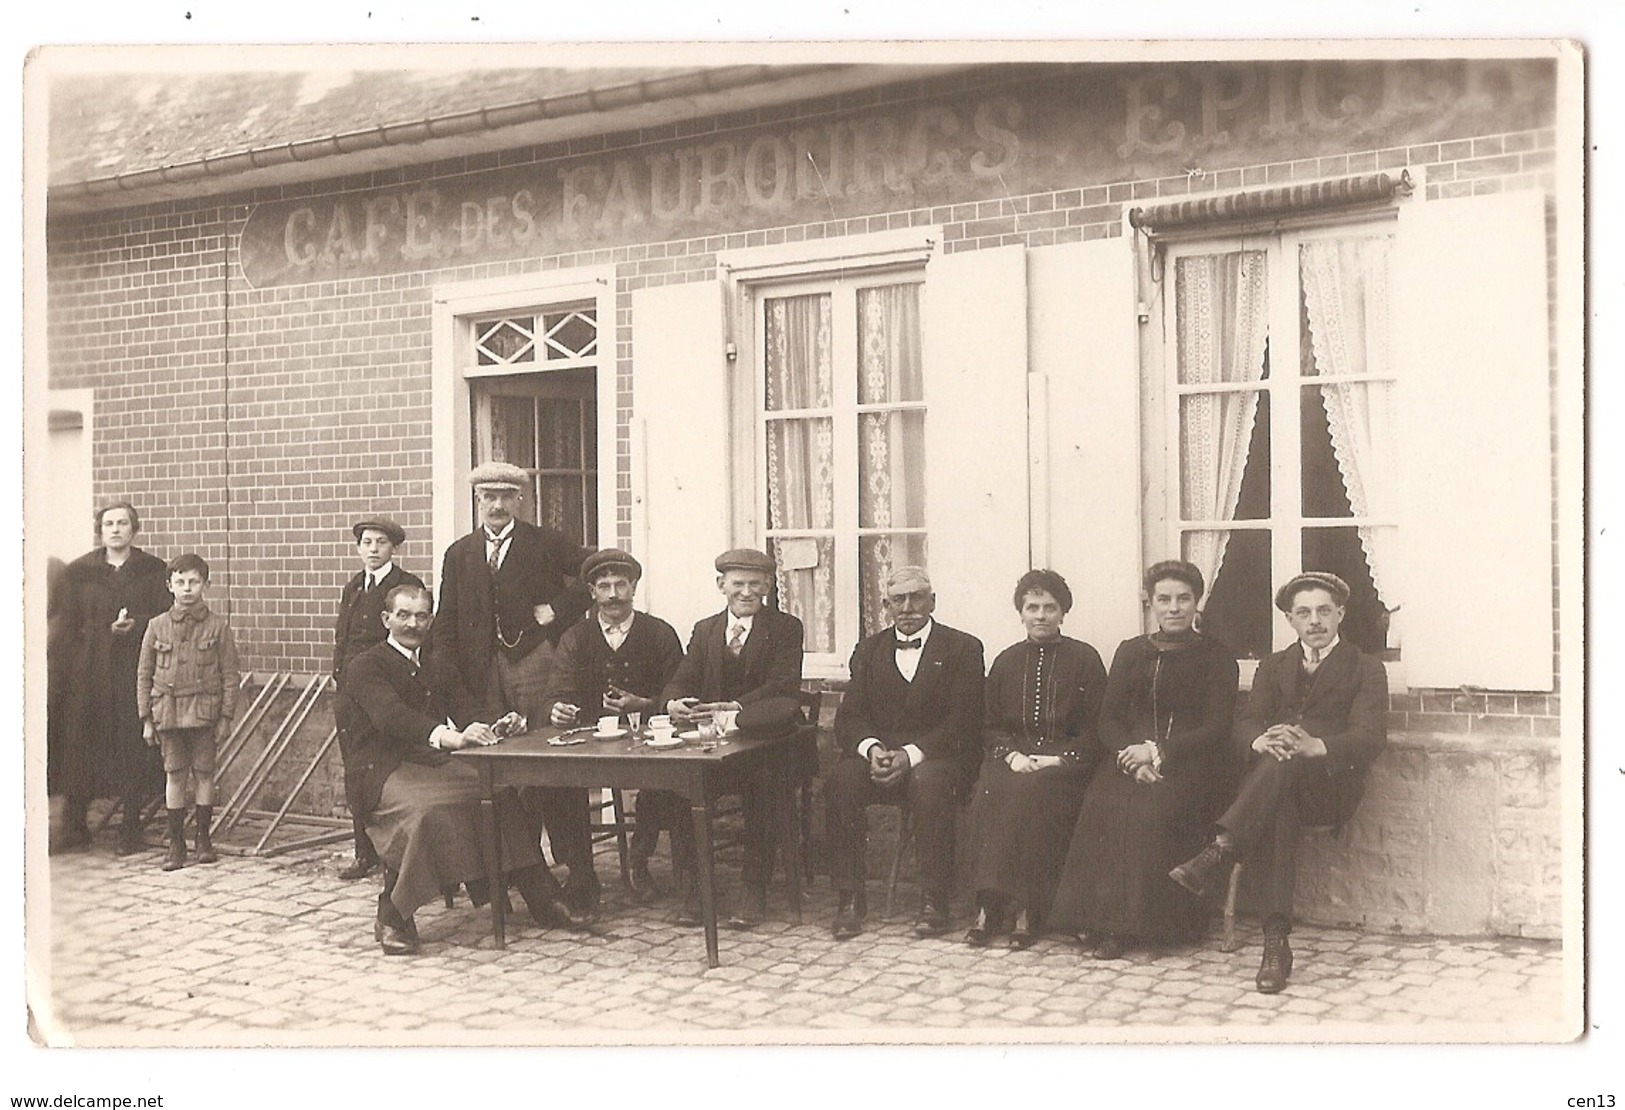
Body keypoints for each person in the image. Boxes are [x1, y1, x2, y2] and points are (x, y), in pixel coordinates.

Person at [338, 584, 590, 955]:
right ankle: (393, 914)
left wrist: (496, 723)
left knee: (499, 793)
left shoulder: (438, 665)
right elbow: (390, 716)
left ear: (431, 619)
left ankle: (541, 895)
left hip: (433, 764)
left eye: (422, 615)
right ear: (385, 619)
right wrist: (448, 736)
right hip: (380, 770)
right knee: (425, 813)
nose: (413, 624)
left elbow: (468, 709)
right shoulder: (365, 665)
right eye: (404, 615)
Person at [1168, 571, 1388, 993]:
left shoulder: (1366, 668)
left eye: (1324, 610)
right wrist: (1260, 738)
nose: (1315, 621)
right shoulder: (1273, 665)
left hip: (1328, 787)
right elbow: (1244, 723)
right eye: (1304, 613)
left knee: (1283, 769)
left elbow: (1369, 737)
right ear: (1290, 619)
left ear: (1341, 613)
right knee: (1278, 799)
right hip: (1275, 790)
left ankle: (1219, 849)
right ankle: (1275, 943)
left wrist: (1315, 745)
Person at [430, 460, 598, 915]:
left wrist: (557, 611)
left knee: (554, 767)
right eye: (489, 496)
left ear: (520, 499)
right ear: (478, 501)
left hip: (536, 665)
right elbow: (445, 622)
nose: (498, 504)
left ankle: (580, 876)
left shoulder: (544, 542)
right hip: (482, 675)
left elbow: (597, 572)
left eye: (507, 496)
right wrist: (449, 683)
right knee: (495, 775)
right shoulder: (460, 553)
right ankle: (502, 879)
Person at [1048, 560, 1239, 959]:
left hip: (1193, 763)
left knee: (1151, 811)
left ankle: (1142, 927)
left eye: (1183, 599)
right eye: (1164, 599)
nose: (1174, 608)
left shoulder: (1218, 657)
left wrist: (1158, 752)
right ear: (1150, 603)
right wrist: (1132, 757)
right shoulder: (1131, 651)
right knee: (1104, 801)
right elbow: (1109, 718)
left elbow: (1217, 727)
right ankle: (1094, 919)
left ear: (1196, 602)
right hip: (1129, 758)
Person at [825, 566, 985, 940]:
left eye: (917, 597)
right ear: (886, 605)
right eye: (899, 599)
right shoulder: (868, 650)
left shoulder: (963, 648)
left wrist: (910, 755)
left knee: (929, 784)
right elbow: (849, 718)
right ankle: (850, 897)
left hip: (938, 758)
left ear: (933, 601)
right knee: (841, 780)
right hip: (881, 759)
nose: (908, 606)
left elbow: (965, 721)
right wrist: (872, 749)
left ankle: (934, 899)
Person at [661, 547, 804, 928]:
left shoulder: (786, 628)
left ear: (768, 586)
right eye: (737, 584)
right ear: (721, 585)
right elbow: (683, 676)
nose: (746, 592)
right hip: (716, 747)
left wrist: (735, 706)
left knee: (764, 789)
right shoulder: (705, 629)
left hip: (767, 744)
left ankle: (752, 892)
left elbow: (782, 685)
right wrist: (673, 701)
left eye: (755, 584)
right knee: (682, 791)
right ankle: (695, 894)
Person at [965, 569, 1107, 949]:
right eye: (1032, 607)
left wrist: (1060, 760)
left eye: (1049, 607)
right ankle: (988, 905)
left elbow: (1098, 727)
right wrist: (1011, 756)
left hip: (1065, 768)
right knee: (992, 791)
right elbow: (990, 723)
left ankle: (1028, 908)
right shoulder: (1007, 661)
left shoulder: (1085, 659)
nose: (1040, 615)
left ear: (1063, 613)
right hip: (1014, 761)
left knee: (1035, 795)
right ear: (1021, 613)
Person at [542, 548, 685, 904]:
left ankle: (638, 860)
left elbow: (679, 688)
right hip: (592, 742)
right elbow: (556, 691)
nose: (613, 594)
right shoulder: (574, 637)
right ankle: (581, 874)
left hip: (650, 738)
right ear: (592, 592)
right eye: (603, 586)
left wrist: (647, 704)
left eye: (621, 584)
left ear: (634, 587)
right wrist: (557, 710)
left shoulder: (659, 633)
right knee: (558, 785)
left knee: (664, 781)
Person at [48, 501, 171, 855]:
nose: (115, 529)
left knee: (131, 746)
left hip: (133, 671)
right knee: (81, 746)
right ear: (100, 531)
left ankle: (130, 827)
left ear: (134, 529)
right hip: (89, 675)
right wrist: (102, 630)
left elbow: (165, 617)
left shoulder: (152, 571)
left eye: (122, 523)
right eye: (108, 524)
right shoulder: (79, 573)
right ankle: (74, 826)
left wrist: (138, 624)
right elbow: (65, 623)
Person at [331, 515, 424, 881]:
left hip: (387, 694)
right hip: (351, 695)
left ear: (393, 548)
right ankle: (363, 851)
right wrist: (339, 676)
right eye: (366, 542)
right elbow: (343, 638)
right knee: (357, 768)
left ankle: (393, 853)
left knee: (387, 768)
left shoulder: (405, 586)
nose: (372, 549)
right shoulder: (354, 586)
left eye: (380, 543)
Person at [136, 554, 240, 872]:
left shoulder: (218, 627)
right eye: (180, 582)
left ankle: (203, 840)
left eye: (194, 582)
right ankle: (176, 844)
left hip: (204, 714)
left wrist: (225, 717)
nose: (187, 588)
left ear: (206, 585)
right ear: (169, 586)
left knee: (205, 774)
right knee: (175, 775)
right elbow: (144, 673)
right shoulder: (156, 626)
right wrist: (146, 719)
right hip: (167, 714)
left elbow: (230, 675)